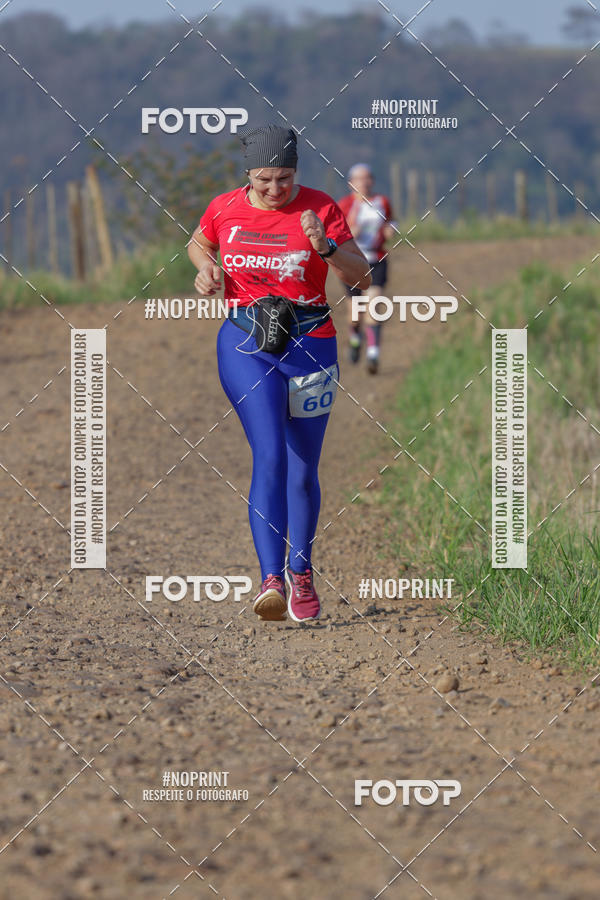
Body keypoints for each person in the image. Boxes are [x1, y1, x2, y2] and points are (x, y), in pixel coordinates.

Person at [188, 124, 371, 623]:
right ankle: (270, 579)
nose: (275, 190)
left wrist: (327, 247)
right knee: (268, 454)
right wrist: (207, 270)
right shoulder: (225, 207)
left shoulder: (322, 208)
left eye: (285, 179)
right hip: (246, 342)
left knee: (303, 467)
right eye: (265, 179)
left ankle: (301, 572)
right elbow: (198, 244)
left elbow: (363, 275)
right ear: (247, 173)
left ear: (297, 173)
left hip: (311, 346)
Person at [338, 164, 397, 374]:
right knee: (355, 314)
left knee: (374, 305)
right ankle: (355, 338)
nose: (364, 182)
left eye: (368, 178)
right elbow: (335, 234)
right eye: (360, 179)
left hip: (376, 258)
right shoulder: (345, 205)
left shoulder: (382, 202)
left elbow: (392, 221)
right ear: (351, 183)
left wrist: (391, 230)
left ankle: (373, 353)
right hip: (351, 261)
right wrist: (349, 232)